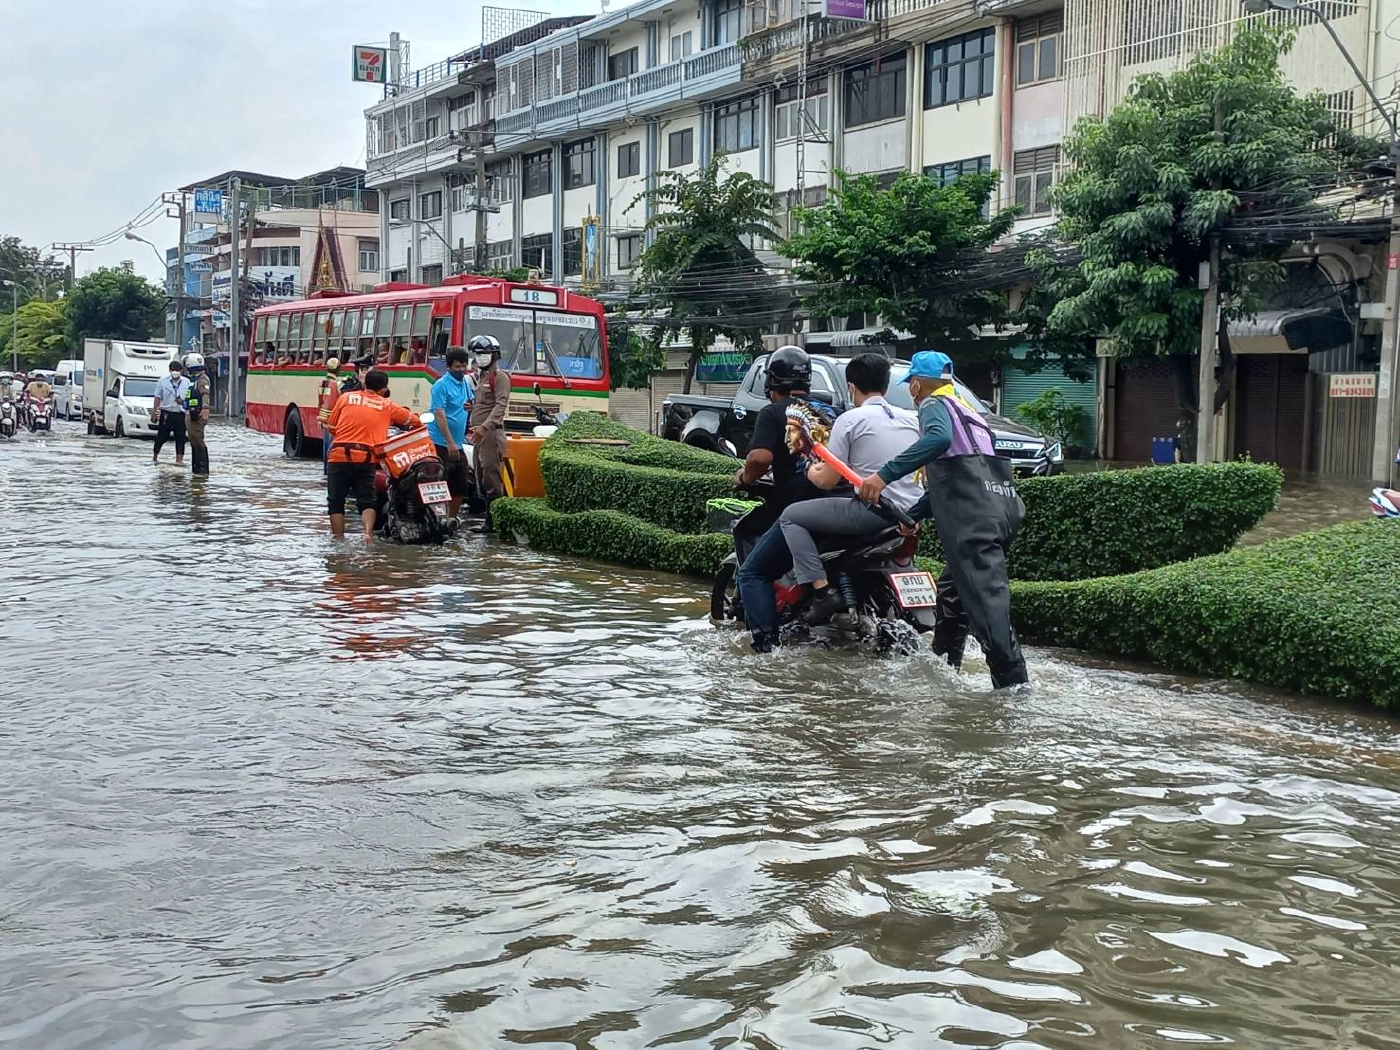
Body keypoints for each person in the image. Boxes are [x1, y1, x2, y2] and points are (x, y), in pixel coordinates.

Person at [859, 351, 1029, 689]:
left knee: (986, 605)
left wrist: (883, 476)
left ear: (916, 385)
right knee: (953, 593)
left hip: (973, 520)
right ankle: (943, 669)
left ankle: (1014, 688)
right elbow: (960, 477)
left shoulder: (932, 405)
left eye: (911, 385)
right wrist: (913, 516)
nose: (912, 391)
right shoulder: (971, 414)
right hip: (1002, 509)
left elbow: (938, 440)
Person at [756, 353, 923, 633]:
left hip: (871, 512)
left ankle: (821, 591)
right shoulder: (912, 420)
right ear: (885, 385)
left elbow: (826, 481)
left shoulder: (851, 419)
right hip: (909, 516)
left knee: (791, 517)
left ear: (851, 387)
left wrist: (810, 468)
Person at [324, 368, 421, 543]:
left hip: (339, 455)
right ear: (384, 389)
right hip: (366, 457)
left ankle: (338, 539)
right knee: (367, 501)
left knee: (335, 502)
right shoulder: (387, 405)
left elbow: (331, 426)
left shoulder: (346, 398)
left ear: (363, 383)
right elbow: (414, 421)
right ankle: (368, 534)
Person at [426, 346, 476, 521]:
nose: (461, 370)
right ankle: (438, 519)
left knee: (460, 483)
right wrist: (449, 442)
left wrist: (470, 406)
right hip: (441, 442)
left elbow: (468, 402)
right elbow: (439, 414)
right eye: (457, 366)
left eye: (464, 366)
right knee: (440, 483)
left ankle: (451, 519)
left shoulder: (465, 383)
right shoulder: (440, 385)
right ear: (448, 366)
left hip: (459, 441)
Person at [467, 335, 510, 533]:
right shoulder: (481, 377)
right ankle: (489, 519)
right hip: (478, 435)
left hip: (491, 434)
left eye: (485, 353)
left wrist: (485, 427)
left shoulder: (499, 378)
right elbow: (486, 404)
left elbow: (500, 406)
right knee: (480, 475)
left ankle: (495, 522)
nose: (481, 357)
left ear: (495, 355)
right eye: (478, 354)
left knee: (491, 477)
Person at [151, 360, 192, 466]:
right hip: (166, 413)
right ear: (169, 370)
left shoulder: (187, 382)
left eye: (177, 370)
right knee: (161, 436)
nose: (175, 372)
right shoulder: (163, 381)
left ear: (181, 371)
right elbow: (157, 397)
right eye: (173, 370)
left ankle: (179, 460)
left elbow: (189, 398)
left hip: (180, 413)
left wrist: (183, 403)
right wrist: (154, 412)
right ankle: (155, 457)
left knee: (180, 438)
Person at [182, 353, 213, 476]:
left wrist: (205, 408)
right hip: (191, 412)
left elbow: (205, 394)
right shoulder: (194, 380)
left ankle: (202, 470)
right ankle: (196, 469)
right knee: (194, 441)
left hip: (197, 414)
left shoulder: (202, 379)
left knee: (198, 440)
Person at [317, 356, 342, 474]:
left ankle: (325, 468)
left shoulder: (322, 382)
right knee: (331, 446)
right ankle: (329, 469)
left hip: (323, 417)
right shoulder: (337, 384)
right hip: (333, 419)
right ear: (338, 370)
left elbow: (320, 401)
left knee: (325, 444)